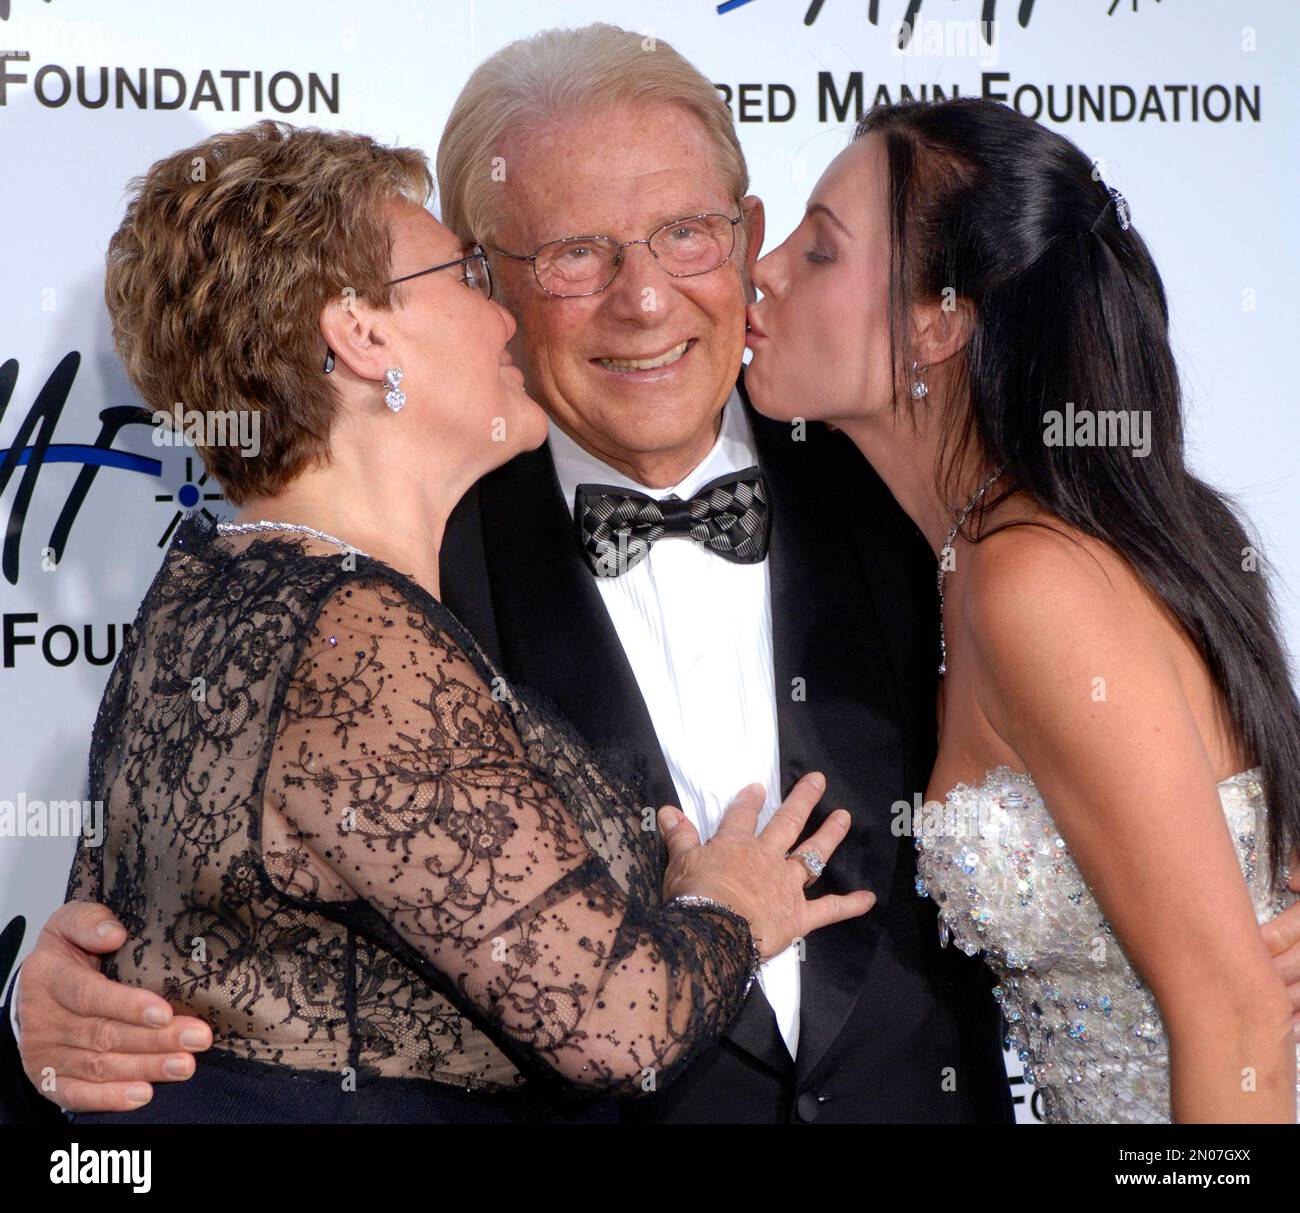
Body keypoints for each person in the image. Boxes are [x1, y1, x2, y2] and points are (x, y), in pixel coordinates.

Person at [5, 24, 1015, 1125]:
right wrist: (39, 1003)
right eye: (574, 254)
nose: (642, 299)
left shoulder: (915, 494)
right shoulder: (394, 564)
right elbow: (149, 914)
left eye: (685, 233)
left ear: (747, 237)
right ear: (480, 272)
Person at [744, 95, 1300, 1122]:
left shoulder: (1032, 580)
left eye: (818, 252)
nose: (761, 269)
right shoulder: (986, 552)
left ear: (938, 319)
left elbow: (1239, 1021)